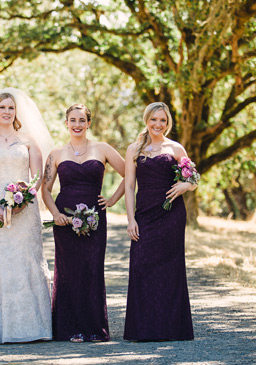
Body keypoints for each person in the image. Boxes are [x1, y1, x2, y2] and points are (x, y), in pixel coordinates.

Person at [0, 88, 55, 344]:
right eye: (2, 107)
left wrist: (25, 199)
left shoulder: (28, 141)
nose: (7, 112)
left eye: (11, 108)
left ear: (17, 112)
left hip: (25, 213)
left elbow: (38, 177)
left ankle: (33, 328)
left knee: (26, 259)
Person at [40, 104, 126, 342]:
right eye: (72, 120)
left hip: (95, 219)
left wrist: (112, 199)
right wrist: (55, 214)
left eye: (82, 120)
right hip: (65, 220)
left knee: (92, 270)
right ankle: (70, 329)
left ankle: (94, 329)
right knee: (68, 272)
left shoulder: (103, 148)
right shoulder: (56, 154)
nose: (77, 124)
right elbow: (45, 190)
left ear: (89, 123)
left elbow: (131, 173)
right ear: (66, 123)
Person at [122, 102, 196, 341]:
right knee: (142, 266)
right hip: (144, 215)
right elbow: (130, 186)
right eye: (154, 119)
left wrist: (186, 185)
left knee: (170, 269)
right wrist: (131, 219)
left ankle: (171, 328)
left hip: (171, 215)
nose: (158, 124)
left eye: (162, 120)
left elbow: (193, 178)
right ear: (146, 120)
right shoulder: (134, 149)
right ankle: (143, 328)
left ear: (168, 123)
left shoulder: (175, 148)